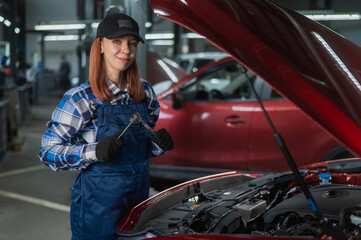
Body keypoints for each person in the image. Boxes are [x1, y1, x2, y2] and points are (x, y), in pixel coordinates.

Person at [38, 12, 174, 240]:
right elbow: (47, 151)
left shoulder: (145, 93)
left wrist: (158, 145)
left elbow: (142, 147)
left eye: (132, 43)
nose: (126, 50)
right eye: (117, 42)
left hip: (139, 197)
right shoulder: (81, 98)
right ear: (100, 45)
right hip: (97, 204)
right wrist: (95, 151)